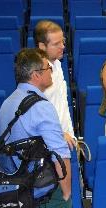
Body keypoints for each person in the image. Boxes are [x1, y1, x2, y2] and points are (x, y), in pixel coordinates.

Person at [0, 48, 72, 208]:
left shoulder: (7, 103)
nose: (52, 71)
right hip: (44, 194)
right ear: (36, 75)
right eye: (48, 68)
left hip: (17, 192)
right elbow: (60, 156)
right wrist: (65, 195)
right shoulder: (42, 107)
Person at [34, 20, 76, 150]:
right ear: (42, 46)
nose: (63, 46)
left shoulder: (57, 64)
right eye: (56, 44)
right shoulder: (36, 73)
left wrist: (70, 134)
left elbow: (62, 105)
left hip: (65, 139)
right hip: (47, 143)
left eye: (62, 41)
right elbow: (36, 114)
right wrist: (59, 134)